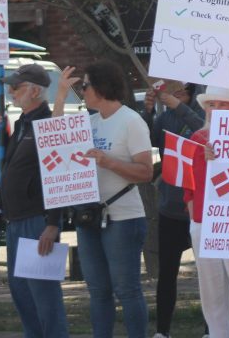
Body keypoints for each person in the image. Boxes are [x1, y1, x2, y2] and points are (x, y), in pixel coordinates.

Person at [54, 62, 153, 338]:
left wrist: (108, 162)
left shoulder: (131, 121)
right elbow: (56, 137)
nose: (82, 91)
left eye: (84, 86)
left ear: (101, 87)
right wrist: (61, 94)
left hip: (123, 217)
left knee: (127, 289)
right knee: (97, 290)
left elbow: (145, 172)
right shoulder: (90, 121)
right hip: (91, 216)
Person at [0, 64, 69, 338]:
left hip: (36, 221)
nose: (10, 91)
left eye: (16, 87)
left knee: (44, 298)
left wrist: (53, 223)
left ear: (35, 90)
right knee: (23, 296)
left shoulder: (45, 122)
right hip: (15, 221)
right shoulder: (22, 123)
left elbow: (59, 173)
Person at [184, 85, 229, 338]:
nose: (215, 110)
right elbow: (189, 189)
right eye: (211, 105)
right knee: (213, 298)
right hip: (204, 223)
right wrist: (196, 224)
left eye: (222, 104)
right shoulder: (196, 139)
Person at [146, 80, 205, 338]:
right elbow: (148, 139)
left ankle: (211, 329)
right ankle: (162, 331)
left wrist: (179, 107)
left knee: (210, 274)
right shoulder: (165, 116)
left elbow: (203, 131)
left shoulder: (203, 112)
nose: (174, 96)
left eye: (180, 92)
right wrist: (148, 112)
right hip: (172, 206)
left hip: (202, 208)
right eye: (172, 92)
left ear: (191, 93)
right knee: (167, 273)